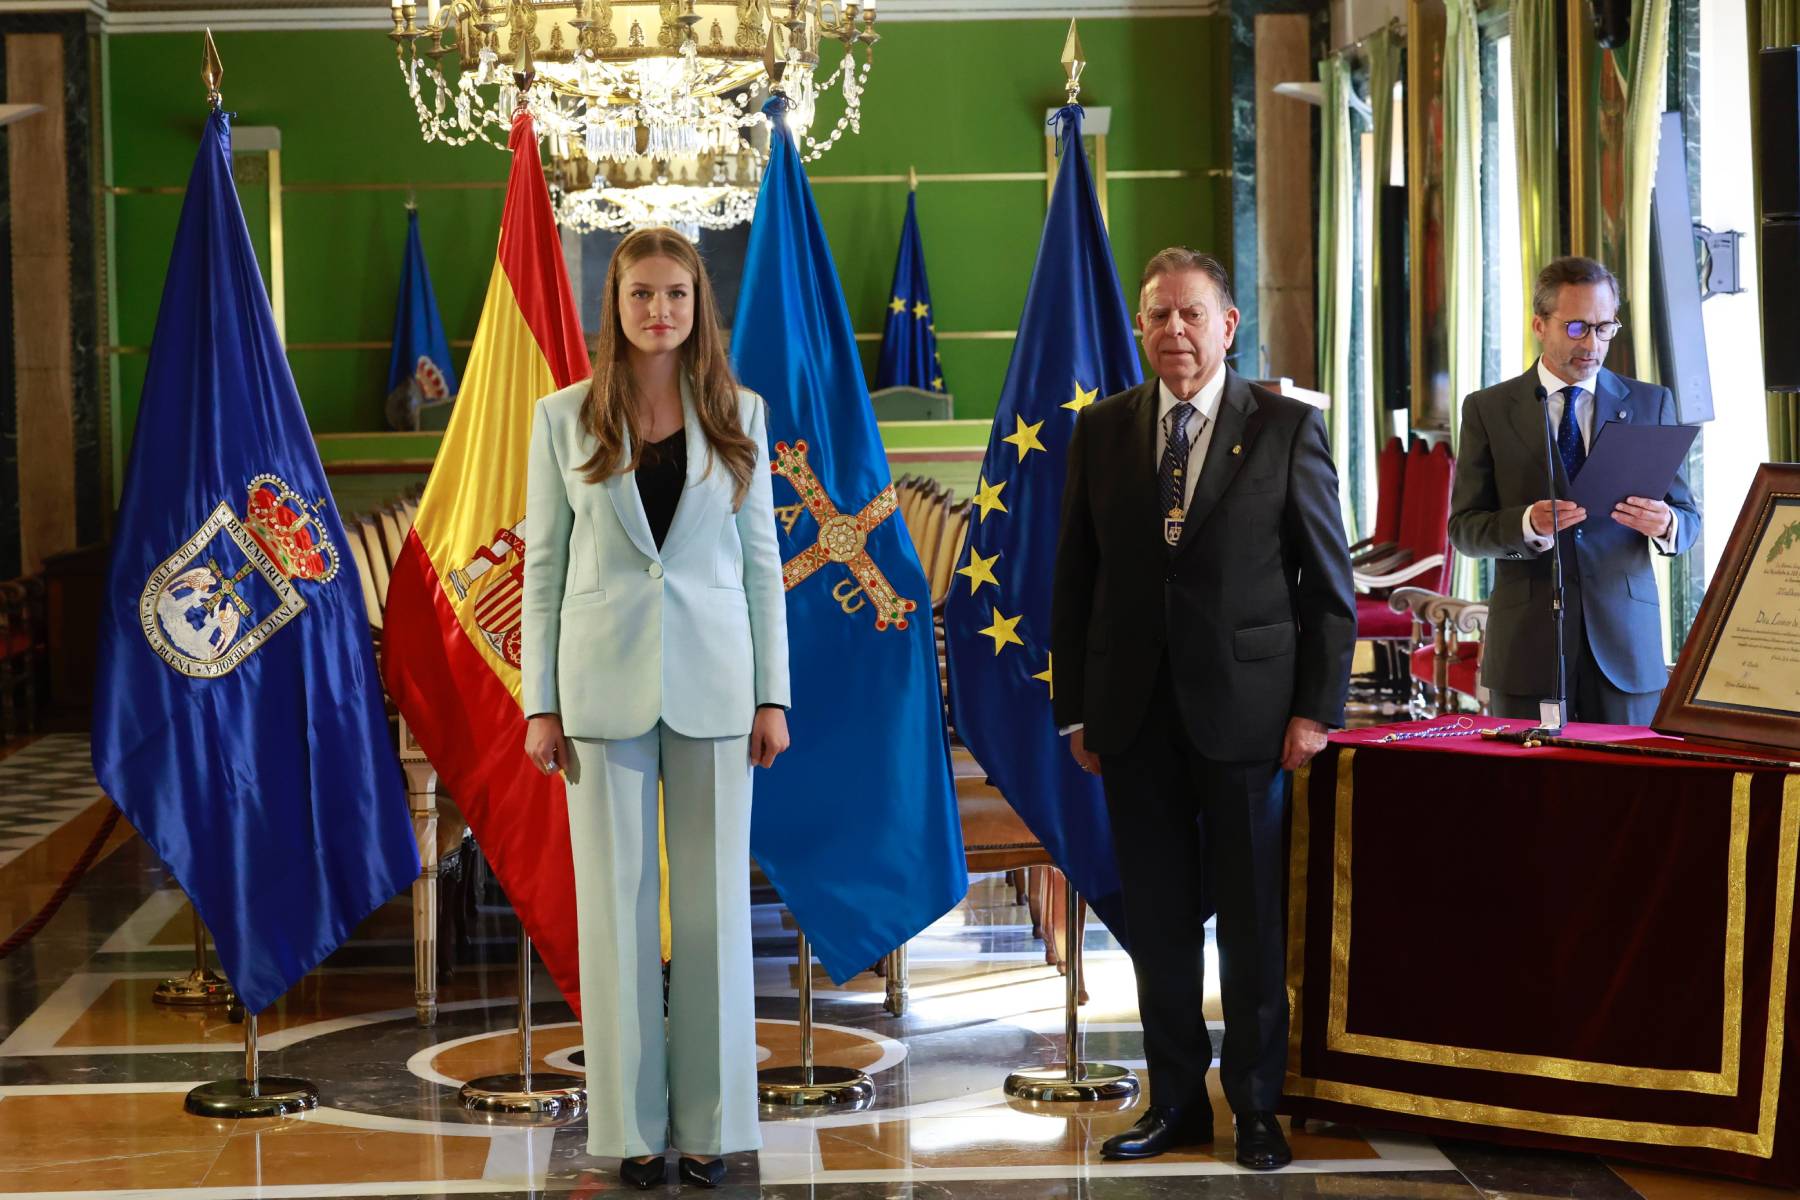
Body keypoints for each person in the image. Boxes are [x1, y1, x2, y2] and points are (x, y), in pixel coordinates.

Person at [1050, 247, 1356, 1170]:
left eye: (1191, 315)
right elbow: (1075, 581)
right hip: (1134, 715)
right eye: (1158, 316)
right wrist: (1075, 711)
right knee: (1160, 925)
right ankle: (1176, 1101)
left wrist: (1315, 710)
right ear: (1141, 329)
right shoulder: (1103, 430)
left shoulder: (1286, 427)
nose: (1173, 331)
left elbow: (1327, 588)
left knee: (1254, 925)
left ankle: (1257, 1108)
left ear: (1228, 325)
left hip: (1252, 717)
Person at [520, 227, 791, 1191]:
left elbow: (763, 568)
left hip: (721, 690)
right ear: (617, 303)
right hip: (598, 693)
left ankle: (713, 1127)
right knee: (618, 916)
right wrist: (538, 705)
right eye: (641, 294)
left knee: (715, 916)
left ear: (697, 305)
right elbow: (543, 572)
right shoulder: (563, 417)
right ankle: (632, 1133)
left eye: (675, 294)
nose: (658, 311)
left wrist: (773, 694)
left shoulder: (740, 412)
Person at [1447, 255, 1699, 725]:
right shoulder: (1488, 409)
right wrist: (1525, 524)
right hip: (1526, 650)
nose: (1593, 344)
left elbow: (1689, 520)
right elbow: (1464, 529)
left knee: (1630, 794)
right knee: (1531, 795)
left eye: (1605, 328)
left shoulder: (1651, 403)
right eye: (1578, 327)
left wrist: (1666, 524)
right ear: (1540, 325)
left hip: (1625, 648)